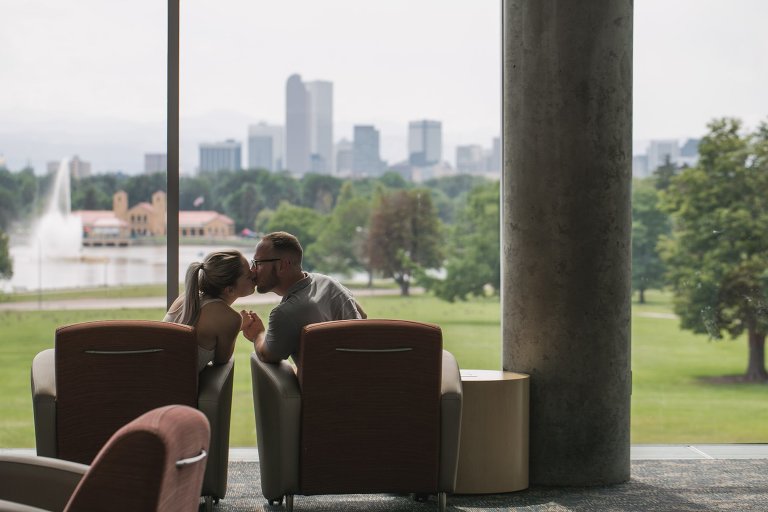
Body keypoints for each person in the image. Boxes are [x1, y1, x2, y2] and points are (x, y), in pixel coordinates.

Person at [240, 231, 366, 367]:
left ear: (283, 265)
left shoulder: (284, 313)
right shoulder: (329, 283)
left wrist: (257, 334)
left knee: (261, 363)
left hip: (324, 386)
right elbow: (362, 317)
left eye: (258, 263)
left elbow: (267, 355)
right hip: (361, 378)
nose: (252, 270)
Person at [164, 250, 255, 372]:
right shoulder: (230, 318)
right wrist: (239, 326)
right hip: (174, 388)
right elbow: (221, 360)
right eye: (249, 276)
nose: (254, 274)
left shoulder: (186, 297)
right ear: (230, 290)